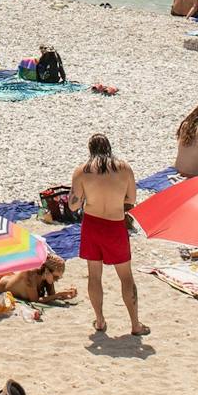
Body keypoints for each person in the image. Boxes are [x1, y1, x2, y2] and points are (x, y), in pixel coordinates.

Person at [69, 134, 148, 338]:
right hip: (115, 225)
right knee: (126, 277)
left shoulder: (82, 171)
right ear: (109, 148)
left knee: (94, 276)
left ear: (91, 150)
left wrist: (87, 196)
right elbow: (131, 198)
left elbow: (73, 204)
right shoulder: (124, 168)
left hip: (92, 225)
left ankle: (100, 320)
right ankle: (135, 324)